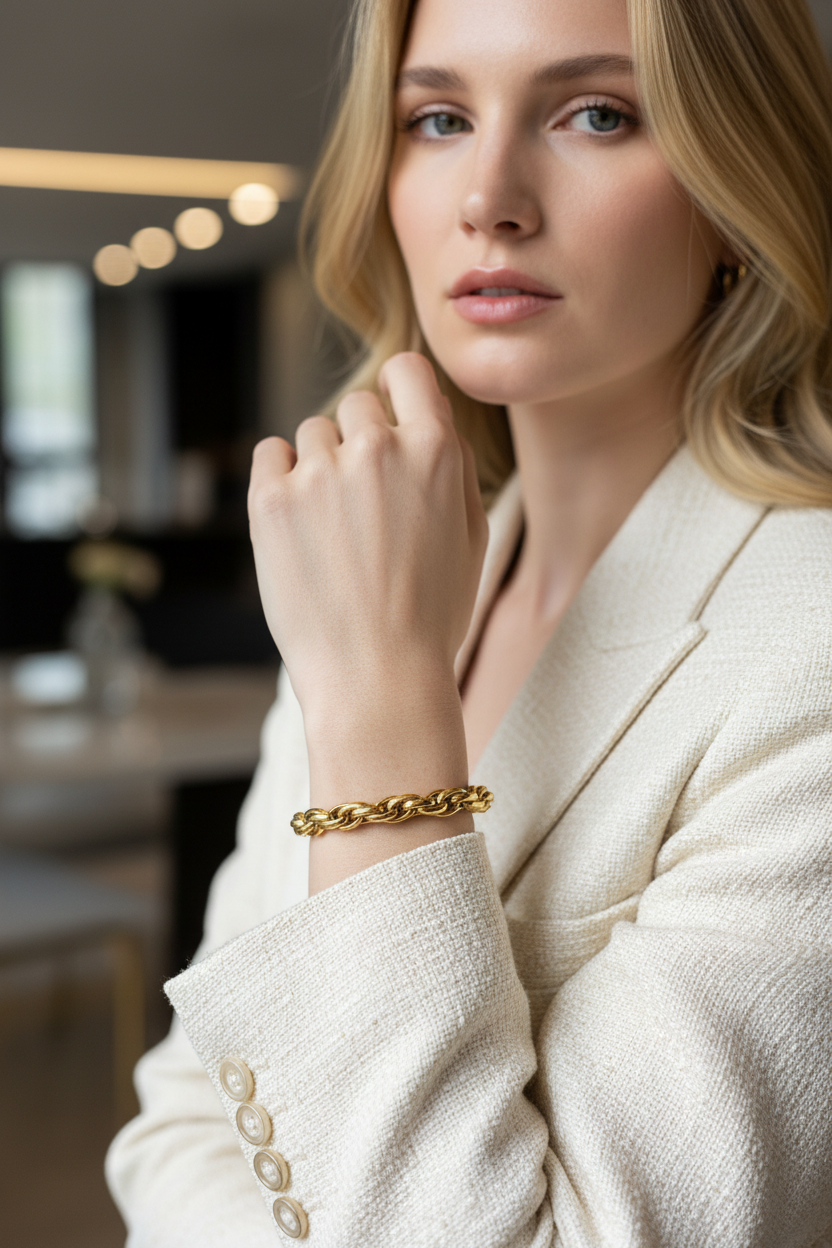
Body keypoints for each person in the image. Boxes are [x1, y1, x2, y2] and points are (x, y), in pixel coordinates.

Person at [106, 0, 832, 1242]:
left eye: (595, 114)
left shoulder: (805, 641)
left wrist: (388, 711)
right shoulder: (382, 571)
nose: (487, 194)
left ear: (731, 183)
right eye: (435, 118)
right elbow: (183, 1107)